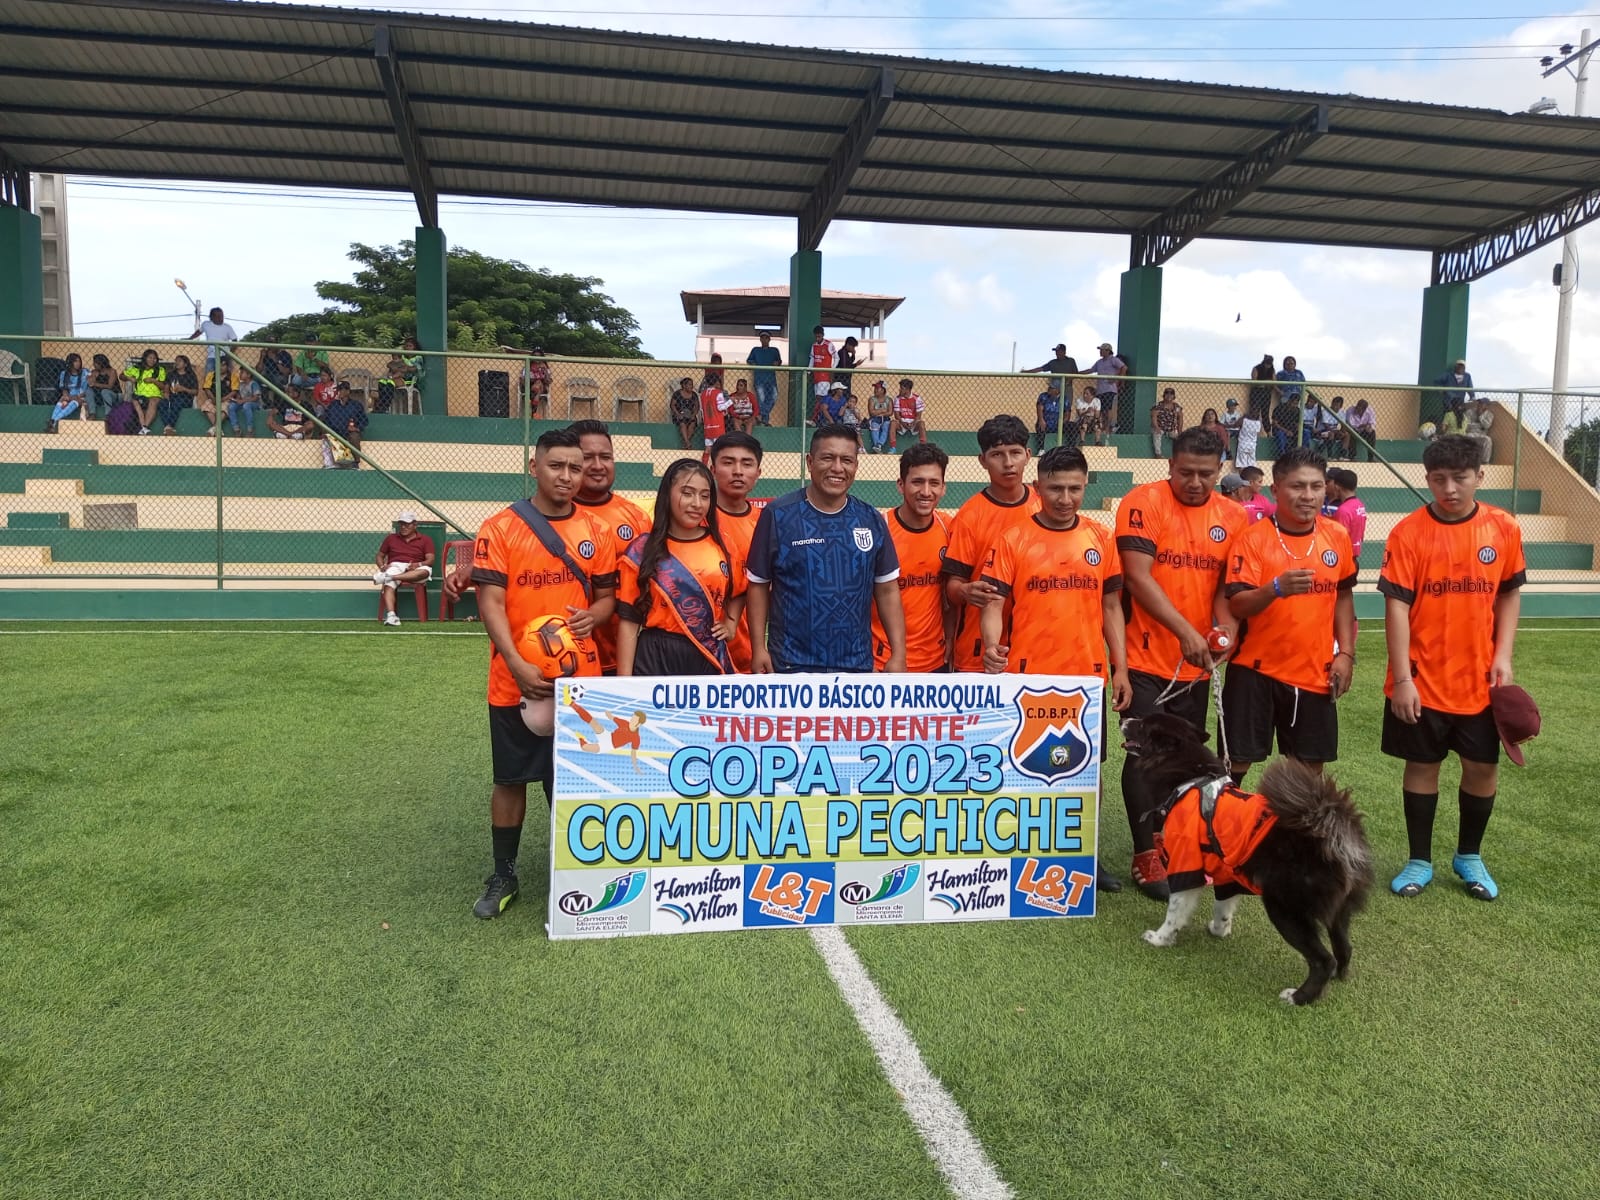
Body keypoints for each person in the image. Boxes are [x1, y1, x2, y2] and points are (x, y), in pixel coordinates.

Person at [468, 427, 617, 920]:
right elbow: (490, 602)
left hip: (579, 686)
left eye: (576, 467)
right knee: (511, 779)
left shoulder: (595, 531)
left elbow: (607, 598)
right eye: (557, 466)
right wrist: (516, 662)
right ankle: (503, 873)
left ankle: (575, 873)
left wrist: (594, 617)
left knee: (573, 780)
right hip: (514, 679)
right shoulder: (500, 528)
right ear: (535, 467)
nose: (568, 476)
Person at [1379, 434, 1525, 903]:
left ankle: (1469, 856)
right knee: (1422, 766)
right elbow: (1396, 608)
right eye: (1438, 479)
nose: (1449, 489)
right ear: (1427, 478)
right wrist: (1403, 679)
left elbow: (1509, 594)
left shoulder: (1503, 528)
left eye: (1460, 478)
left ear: (1480, 476)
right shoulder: (1408, 533)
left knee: (1482, 767)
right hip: (1422, 679)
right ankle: (1419, 860)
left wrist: (1503, 655)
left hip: (1480, 680)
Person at [978, 444, 1130, 891]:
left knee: (1088, 771)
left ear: (1085, 487)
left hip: (1087, 679)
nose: (1065, 498)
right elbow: (993, 603)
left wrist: (1120, 669)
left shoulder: (1101, 537)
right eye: (1056, 488)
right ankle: (1025, 852)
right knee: (1026, 767)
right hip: (1029, 678)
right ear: (1038, 486)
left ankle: (1087, 855)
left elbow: (1111, 607)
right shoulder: (1013, 538)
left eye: (1074, 489)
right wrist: (992, 646)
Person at [1114, 426, 1246, 900]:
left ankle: (1172, 843)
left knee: (1184, 756)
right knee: (1144, 753)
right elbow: (1138, 577)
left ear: (1220, 470)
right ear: (1169, 465)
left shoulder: (1233, 516)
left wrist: (1226, 629)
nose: (1195, 482)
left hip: (1195, 664)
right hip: (1145, 654)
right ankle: (1144, 853)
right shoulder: (1143, 503)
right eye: (1185, 472)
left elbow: (1226, 587)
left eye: (1205, 474)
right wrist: (1185, 631)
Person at [1221, 447, 1358, 787]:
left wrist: (1345, 654)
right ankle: (1225, 821)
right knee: (1234, 765)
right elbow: (1238, 605)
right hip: (1255, 670)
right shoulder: (1252, 539)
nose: (1308, 495)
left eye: (1316, 486)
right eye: (1297, 486)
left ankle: (1295, 825)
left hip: (1314, 672)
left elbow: (1343, 597)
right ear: (1276, 490)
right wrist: (1275, 589)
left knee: (1309, 772)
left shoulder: (1336, 536)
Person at [745, 423, 904, 674]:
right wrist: (758, 649)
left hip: (856, 666)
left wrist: (899, 653)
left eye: (846, 460)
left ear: (856, 466)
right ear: (810, 462)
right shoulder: (778, 515)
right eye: (828, 458)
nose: (837, 468)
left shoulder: (870, 519)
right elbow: (758, 585)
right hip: (791, 665)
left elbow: (886, 590)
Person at [617, 459, 744, 676]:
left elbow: (740, 590)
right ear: (668, 494)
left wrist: (730, 624)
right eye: (687, 493)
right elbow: (629, 620)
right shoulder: (642, 550)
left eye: (705, 496)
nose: (697, 503)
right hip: (655, 655)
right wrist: (624, 682)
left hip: (706, 651)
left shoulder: (723, 545)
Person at [941, 414, 1040, 673]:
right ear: (983, 460)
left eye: (1015, 453)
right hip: (978, 652)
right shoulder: (970, 516)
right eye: (997, 454)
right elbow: (952, 587)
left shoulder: (1043, 506)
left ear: (1028, 455)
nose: (1008, 463)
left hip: (1034, 647)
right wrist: (965, 591)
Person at [569, 419, 651, 675]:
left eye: (605, 457)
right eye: (587, 458)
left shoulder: (637, 518)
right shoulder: (552, 518)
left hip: (630, 655)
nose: (598, 466)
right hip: (568, 654)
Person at [873, 442, 952, 673]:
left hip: (935, 661)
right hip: (884, 662)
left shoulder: (949, 528)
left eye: (934, 483)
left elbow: (948, 597)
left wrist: (950, 638)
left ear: (944, 488)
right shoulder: (880, 529)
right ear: (901, 485)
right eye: (917, 482)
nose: (926, 492)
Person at [709, 430, 766, 672]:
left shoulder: (767, 523)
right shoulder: (696, 520)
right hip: (701, 649)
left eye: (747, 463)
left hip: (750, 654)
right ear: (712, 469)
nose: (738, 471)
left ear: (758, 473)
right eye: (728, 462)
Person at [372, 510, 436, 626]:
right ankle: (392, 616)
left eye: (407, 524)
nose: (403, 527)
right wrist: (382, 566)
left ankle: (389, 577)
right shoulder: (391, 538)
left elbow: (430, 560)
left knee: (425, 571)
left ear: (415, 525)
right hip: (395, 565)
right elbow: (379, 555)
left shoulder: (426, 539)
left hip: (416, 567)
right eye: (401, 524)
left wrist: (418, 565)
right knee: (388, 584)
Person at [1323, 467, 1367, 564]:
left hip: (1344, 559)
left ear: (1337, 487)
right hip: (1354, 556)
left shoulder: (1343, 510)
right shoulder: (1360, 505)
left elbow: (1340, 538)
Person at [121, 348, 168, 436]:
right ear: (145, 358)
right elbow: (121, 376)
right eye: (150, 357)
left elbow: (163, 387)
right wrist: (129, 378)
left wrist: (153, 380)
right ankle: (144, 428)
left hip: (154, 395)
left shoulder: (160, 370)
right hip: (139, 395)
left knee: (153, 401)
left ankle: (144, 427)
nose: (152, 360)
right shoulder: (137, 368)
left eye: (154, 358)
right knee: (135, 402)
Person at [320, 382, 368, 468]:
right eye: (338, 390)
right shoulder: (333, 404)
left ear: (348, 391)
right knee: (326, 433)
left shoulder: (356, 405)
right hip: (335, 431)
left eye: (341, 390)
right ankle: (330, 463)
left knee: (354, 436)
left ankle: (355, 463)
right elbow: (326, 418)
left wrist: (357, 428)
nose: (339, 392)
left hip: (349, 432)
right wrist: (326, 430)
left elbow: (364, 420)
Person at [188, 307, 237, 382]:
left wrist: (229, 354)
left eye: (222, 316)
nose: (221, 318)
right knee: (209, 377)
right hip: (212, 356)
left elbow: (235, 341)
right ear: (211, 317)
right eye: (218, 316)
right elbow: (199, 332)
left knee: (228, 377)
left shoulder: (227, 327)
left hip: (224, 355)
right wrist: (190, 339)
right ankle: (210, 389)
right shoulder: (206, 324)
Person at [745, 331, 782, 426]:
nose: (764, 339)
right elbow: (749, 360)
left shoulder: (774, 350)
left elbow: (779, 361)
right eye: (762, 338)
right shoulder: (755, 350)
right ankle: (765, 421)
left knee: (774, 396)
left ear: (769, 339)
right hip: (759, 379)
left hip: (771, 379)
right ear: (760, 339)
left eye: (766, 338)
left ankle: (761, 415)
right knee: (762, 399)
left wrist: (777, 363)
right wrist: (754, 364)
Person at [1090, 342, 1126, 435]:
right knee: (1102, 410)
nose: (1100, 352)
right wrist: (1077, 373)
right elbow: (1091, 370)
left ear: (1108, 351)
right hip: (1100, 390)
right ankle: (1103, 426)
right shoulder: (1099, 362)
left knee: (1108, 409)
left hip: (1109, 389)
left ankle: (1107, 427)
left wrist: (1117, 378)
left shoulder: (1113, 360)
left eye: (1102, 350)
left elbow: (1124, 367)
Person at [47, 353, 88, 431]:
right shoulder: (64, 374)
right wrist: (66, 396)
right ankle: (52, 423)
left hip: (81, 396)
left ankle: (53, 421)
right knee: (62, 401)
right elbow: (64, 390)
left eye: (79, 361)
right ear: (70, 363)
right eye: (75, 361)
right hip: (69, 396)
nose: (78, 363)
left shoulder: (84, 372)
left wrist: (75, 397)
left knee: (73, 402)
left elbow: (87, 390)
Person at [160, 355, 199, 435]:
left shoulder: (191, 375)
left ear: (185, 364)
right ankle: (168, 427)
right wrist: (166, 393)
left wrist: (184, 389)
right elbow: (166, 386)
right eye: (176, 361)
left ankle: (169, 426)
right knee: (162, 404)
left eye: (179, 361)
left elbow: (195, 392)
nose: (177, 363)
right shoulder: (171, 374)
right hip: (172, 397)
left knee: (177, 402)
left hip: (185, 398)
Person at [225, 365, 262, 437]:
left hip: (255, 404)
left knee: (246, 405)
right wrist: (234, 400)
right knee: (231, 406)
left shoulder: (253, 384)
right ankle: (236, 429)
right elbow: (239, 397)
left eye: (242, 372)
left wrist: (243, 401)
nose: (240, 374)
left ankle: (250, 430)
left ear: (249, 375)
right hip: (244, 403)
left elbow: (256, 398)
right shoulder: (241, 384)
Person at [699, 374, 730, 459]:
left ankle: (703, 465)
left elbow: (702, 409)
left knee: (708, 448)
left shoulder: (703, 394)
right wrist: (730, 401)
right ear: (716, 382)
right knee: (719, 448)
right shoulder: (718, 393)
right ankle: (717, 466)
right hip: (717, 425)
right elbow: (720, 407)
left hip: (708, 425)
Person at [892, 377, 926, 448]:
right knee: (893, 423)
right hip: (902, 422)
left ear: (907, 389)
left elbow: (918, 416)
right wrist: (903, 423)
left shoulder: (917, 398)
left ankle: (923, 447)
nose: (899, 390)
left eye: (902, 388)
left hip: (914, 422)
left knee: (922, 424)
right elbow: (896, 416)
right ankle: (893, 447)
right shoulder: (897, 399)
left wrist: (913, 423)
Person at [1235, 393, 1266, 470]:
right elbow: (1258, 432)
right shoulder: (1258, 423)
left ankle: (1242, 476)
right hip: (1252, 445)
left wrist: (1244, 416)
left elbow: (1236, 425)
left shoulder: (1245, 420)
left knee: (1242, 464)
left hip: (1243, 443)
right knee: (1251, 465)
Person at [1151, 387, 1184, 458]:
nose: (1169, 395)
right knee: (1157, 434)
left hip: (1171, 428)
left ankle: (1179, 454)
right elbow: (1154, 417)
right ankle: (1158, 454)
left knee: (1180, 438)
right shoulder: (1158, 405)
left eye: (1171, 394)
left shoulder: (1176, 406)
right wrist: (1156, 427)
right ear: (1163, 395)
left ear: (1174, 396)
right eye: (1167, 393)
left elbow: (1180, 418)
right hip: (1160, 427)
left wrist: (1179, 431)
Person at [1035, 379, 1064, 454]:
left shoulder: (1064, 398)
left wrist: (1063, 423)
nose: (1049, 388)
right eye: (1049, 387)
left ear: (1057, 390)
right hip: (1046, 422)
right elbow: (1039, 408)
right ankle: (1041, 449)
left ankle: (1069, 449)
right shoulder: (1043, 396)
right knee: (1040, 426)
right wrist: (1041, 420)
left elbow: (1067, 413)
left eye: (1051, 388)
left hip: (1058, 423)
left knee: (1071, 426)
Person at [1270, 388, 1302, 457]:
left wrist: (1296, 431)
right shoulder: (1280, 408)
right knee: (1280, 434)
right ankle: (1282, 454)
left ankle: (1302, 453)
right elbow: (1275, 423)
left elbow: (1297, 424)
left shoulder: (1297, 410)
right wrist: (1286, 431)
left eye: (1297, 404)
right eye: (1294, 403)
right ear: (1289, 401)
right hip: (1280, 429)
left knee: (1305, 432)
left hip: (1291, 430)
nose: (1295, 406)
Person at [670, 376, 699, 450]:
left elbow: (697, 406)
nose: (691, 386)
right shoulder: (677, 394)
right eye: (689, 384)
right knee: (682, 423)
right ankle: (687, 443)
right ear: (684, 385)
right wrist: (678, 414)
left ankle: (686, 443)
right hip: (679, 414)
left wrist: (693, 415)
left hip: (690, 415)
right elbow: (672, 405)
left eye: (692, 384)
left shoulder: (694, 394)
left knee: (692, 423)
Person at [808, 325, 834, 408]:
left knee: (822, 398)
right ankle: (818, 414)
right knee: (817, 398)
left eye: (819, 336)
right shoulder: (814, 345)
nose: (817, 338)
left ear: (823, 335)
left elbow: (837, 357)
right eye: (816, 337)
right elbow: (812, 358)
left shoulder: (828, 344)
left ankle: (820, 414)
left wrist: (832, 369)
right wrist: (809, 371)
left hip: (825, 377)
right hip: (816, 376)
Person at [1347, 397, 1377, 461]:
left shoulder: (1370, 411)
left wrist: (1369, 427)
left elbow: (1372, 423)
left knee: (1372, 433)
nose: (1357, 410)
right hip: (1354, 430)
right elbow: (1351, 424)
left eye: (1359, 409)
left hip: (1364, 430)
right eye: (1357, 407)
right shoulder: (1350, 410)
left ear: (1364, 410)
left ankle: (1371, 457)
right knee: (1351, 432)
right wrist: (1364, 425)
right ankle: (1352, 457)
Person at [1465, 397, 1494, 464]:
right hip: (1470, 433)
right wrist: (1480, 426)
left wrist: (1480, 416)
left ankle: (1485, 462)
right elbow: (1466, 426)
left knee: (1488, 440)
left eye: (1482, 403)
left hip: (1481, 435)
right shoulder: (1470, 412)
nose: (1479, 404)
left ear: (1486, 406)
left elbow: (1487, 426)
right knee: (1467, 436)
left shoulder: (1489, 415)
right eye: (1479, 403)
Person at [867, 380, 893, 453]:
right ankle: (877, 446)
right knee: (874, 426)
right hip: (875, 418)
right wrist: (882, 410)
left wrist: (878, 412)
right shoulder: (872, 399)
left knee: (886, 426)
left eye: (877, 388)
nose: (875, 390)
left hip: (885, 418)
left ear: (883, 390)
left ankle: (879, 444)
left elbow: (890, 412)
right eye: (875, 388)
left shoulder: (889, 399)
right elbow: (871, 412)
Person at [1074, 382, 1102, 447]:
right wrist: (1087, 411)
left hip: (1092, 420)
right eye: (1084, 393)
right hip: (1081, 420)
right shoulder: (1079, 400)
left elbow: (1097, 415)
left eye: (1087, 394)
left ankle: (1097, 441)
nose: (1084, 395)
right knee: (1085, 420)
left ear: (1092, 396)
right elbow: (1080, 414)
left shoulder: (1097, 401)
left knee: (1098, 422)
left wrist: (1088, 413)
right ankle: (1082, 441)